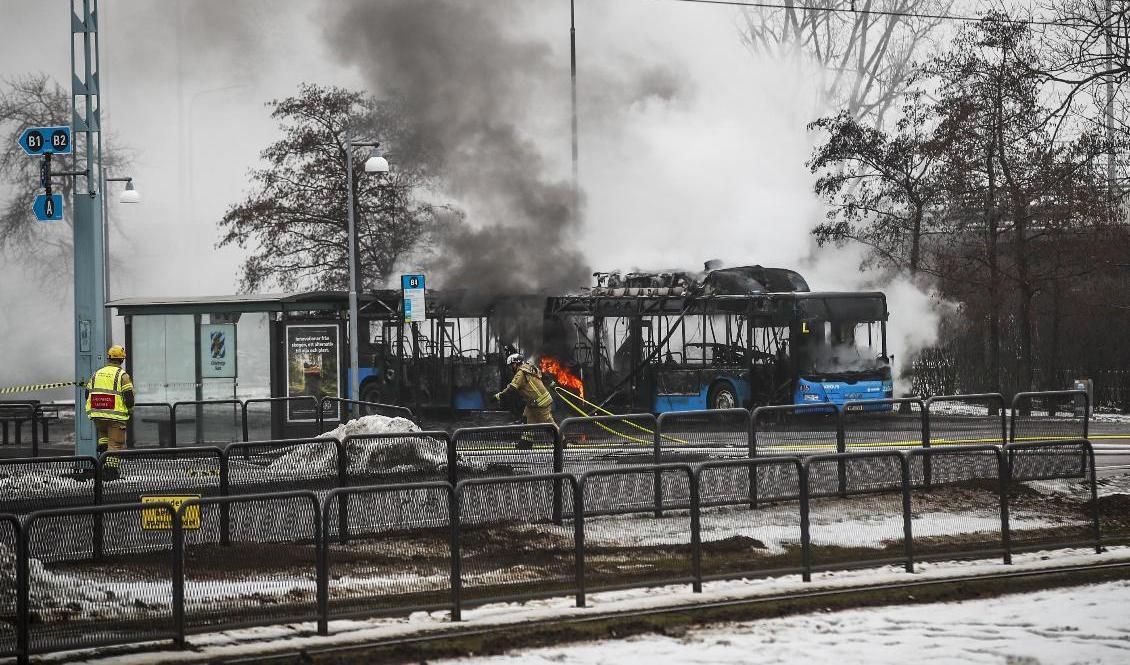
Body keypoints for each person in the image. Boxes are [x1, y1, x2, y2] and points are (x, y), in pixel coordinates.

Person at [85, 345, 135, 481]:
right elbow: (129, 398)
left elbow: (87, 393)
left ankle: (101, 464)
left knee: (104, 439)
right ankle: (110, 473)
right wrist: (130, 409)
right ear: (122, 360)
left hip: (98, 415)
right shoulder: (122, 376)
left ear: (109, 358)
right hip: (115, 417)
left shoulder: (96, 373)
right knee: (115, 444)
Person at [494, 353, 555, 446]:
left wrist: (499, 396)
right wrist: (550, 382)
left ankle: (561, 441)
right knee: (527, 419)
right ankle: (526, 442)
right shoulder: (529, 367)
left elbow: (512, 388)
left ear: (516, 364)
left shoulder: (521, 373)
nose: (511, 368)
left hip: (540, 402)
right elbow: (542, 374)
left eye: (511, 365)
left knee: (548, 423)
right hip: (533, 403)